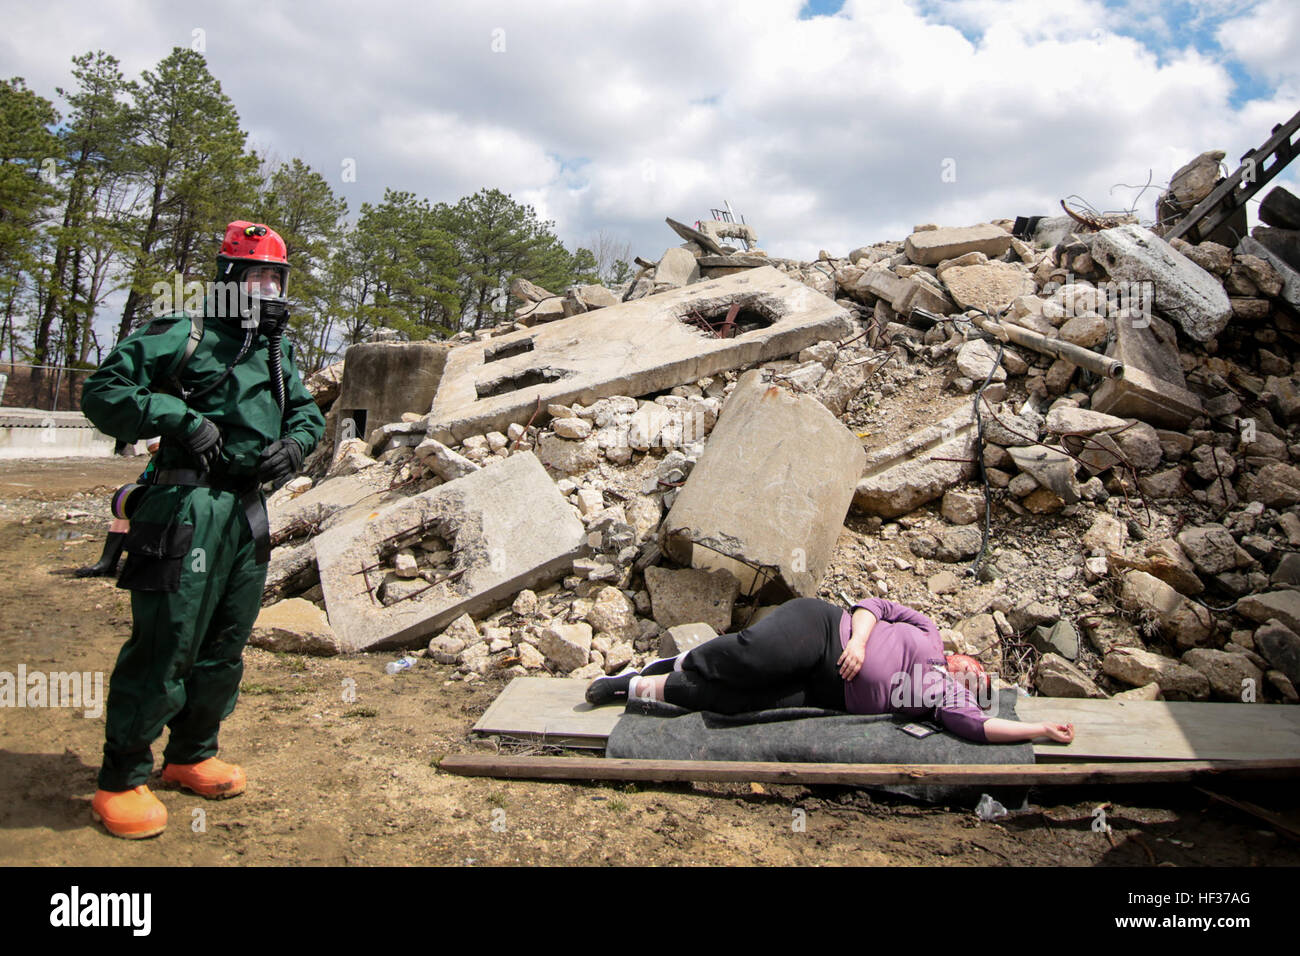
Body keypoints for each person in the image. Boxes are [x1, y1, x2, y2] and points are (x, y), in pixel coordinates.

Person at [79, 221, 326, 838]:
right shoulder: (182, 332)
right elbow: (104, 390)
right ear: (228, 281)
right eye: (256, 277)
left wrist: (295, 446)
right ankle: (122, 777)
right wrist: (179, 418)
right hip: (184, 506)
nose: (268, 289)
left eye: (276, 277)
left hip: (247, 514)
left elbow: (306, 413)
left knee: (224, 643)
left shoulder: (280, 350)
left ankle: (190, 753)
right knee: (167, 642)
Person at [586, 596, 1075, 745]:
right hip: (826, 632)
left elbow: (979, 725)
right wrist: (859, 643)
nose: (970, 673)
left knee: (730, 705)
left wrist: (1041, 730)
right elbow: (873, 605)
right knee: (754, 657)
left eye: (976, 682)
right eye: (974, 666)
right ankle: (683, 658)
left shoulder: (941, 696)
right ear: (962, 656)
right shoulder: (928, 632)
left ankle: (635, 687)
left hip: (824, 691)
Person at [74, 436, 160, 578]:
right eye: (153, 453)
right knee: (124, 508)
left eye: (156, 451)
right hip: (154, 499)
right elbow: (143, 482)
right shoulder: (155, 463)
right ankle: (107, 563)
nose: (155, 455)